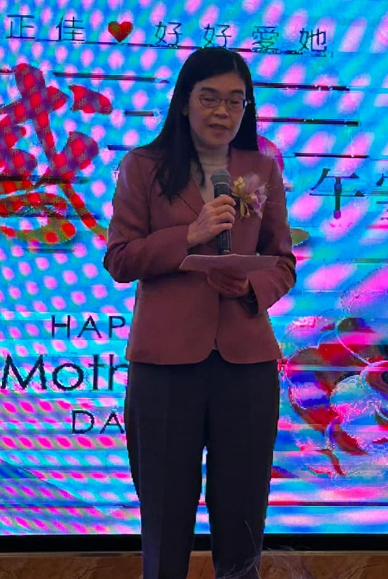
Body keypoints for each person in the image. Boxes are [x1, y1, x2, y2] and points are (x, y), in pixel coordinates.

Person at [104, 46, 296, 579]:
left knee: (242, 519)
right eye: (210, 98)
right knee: (166, 520)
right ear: (184, 102)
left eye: (236, 101)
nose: (222, 112)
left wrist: (250, 288)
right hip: (165, 365)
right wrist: (189, 235)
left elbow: (283, 262)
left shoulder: (260, 169)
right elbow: (120, 259)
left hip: (246, 365)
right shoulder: (143, 167)